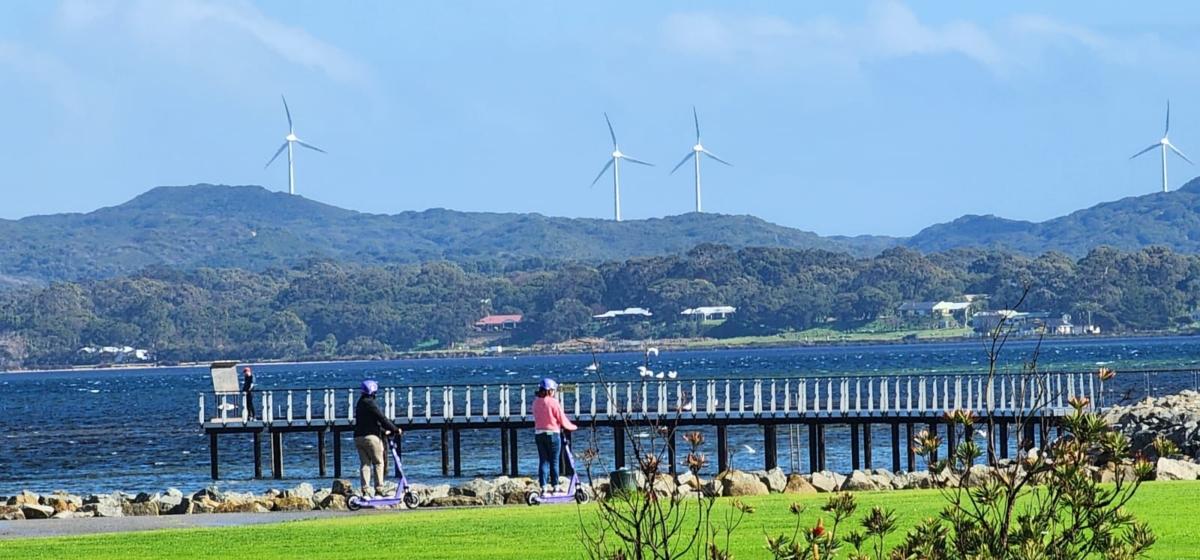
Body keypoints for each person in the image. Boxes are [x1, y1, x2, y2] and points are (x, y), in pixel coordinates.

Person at [354, 379, 400, 498]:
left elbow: (370, 422)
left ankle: (365, 491)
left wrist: (385, 431)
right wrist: (395, 429)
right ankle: (379, 489)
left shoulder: (360, 403)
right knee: (379, 462)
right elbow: (381, 418)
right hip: (371, 438)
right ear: (373, 392)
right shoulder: (370, 403)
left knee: (365, 464)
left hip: (358, 437)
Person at [532, 378, 577, 494]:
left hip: (539, 434)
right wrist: (572, 427)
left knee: (543, 461)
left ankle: (543, 487)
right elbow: (561, 419)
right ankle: (556, 486)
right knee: (554, 461)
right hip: (553, 434)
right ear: (550, 390)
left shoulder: (536, 402)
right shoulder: (553, 402)